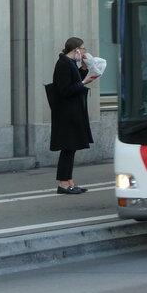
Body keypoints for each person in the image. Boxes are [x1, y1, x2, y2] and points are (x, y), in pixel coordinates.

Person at [50, 36, 98, 194]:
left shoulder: (70, 63)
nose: (84, 52)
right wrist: (84, 83)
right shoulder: (63, 64)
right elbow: (65, 90)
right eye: (83, 49)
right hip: (66, 114)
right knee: (68, 148)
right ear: (76, 49)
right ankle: (63, 184)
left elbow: (74, 80)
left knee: (71, 148)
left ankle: (69, 181)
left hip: (72, 112)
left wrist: (84, 69)